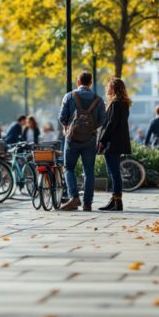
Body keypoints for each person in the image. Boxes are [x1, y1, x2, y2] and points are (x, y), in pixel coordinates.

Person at [58, 72, 106, 212]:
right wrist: (91, 128)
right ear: (90, 82)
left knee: (69, 168)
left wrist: (68, 126)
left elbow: (62, 117)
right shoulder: (98, 99)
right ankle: (87, 204)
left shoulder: (69, 96)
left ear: (78, 81)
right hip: (90, 139)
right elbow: (103, 119)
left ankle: (74, 197)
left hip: (72, 138)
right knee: (89, 171)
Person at [97, 78, 132, 212]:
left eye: (109, 87)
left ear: (114, 88)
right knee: (112, 171)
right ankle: (114, 200)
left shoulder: (115, 104)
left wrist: (102, 140)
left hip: (112, 142)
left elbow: (110, 124)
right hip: (118, 142)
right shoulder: (124, 103)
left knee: (114, 172)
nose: (107, 89)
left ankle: (117, 202)